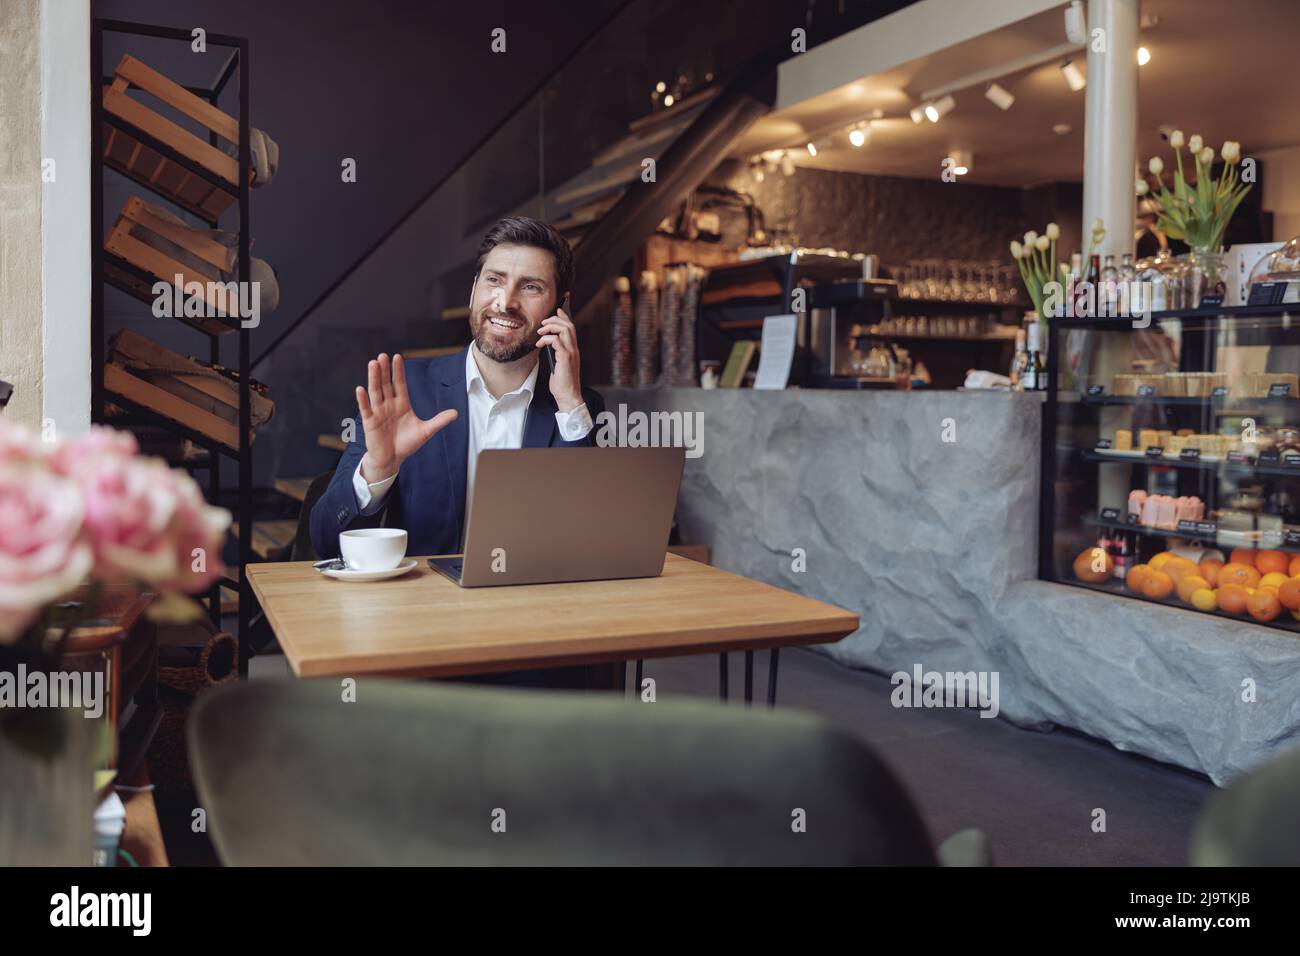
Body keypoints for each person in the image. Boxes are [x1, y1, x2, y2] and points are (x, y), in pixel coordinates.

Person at [309, 216, 611, 689]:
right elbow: (325, 539)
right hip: (418, 638)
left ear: (560, 307)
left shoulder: (577, 406)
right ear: (474, 288)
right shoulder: (406, 393)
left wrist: (571, 403)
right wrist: (379, 468)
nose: (505, 302)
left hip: (533, 640)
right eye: (494, 280)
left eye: (530, 287)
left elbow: (600, 544)